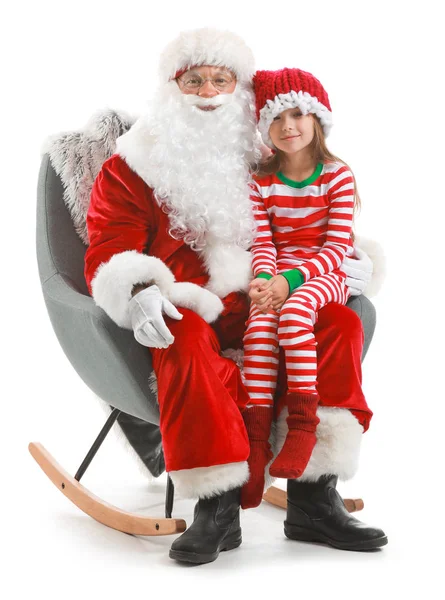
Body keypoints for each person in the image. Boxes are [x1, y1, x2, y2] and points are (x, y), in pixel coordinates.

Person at [84, 28, 383, 564]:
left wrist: (357, 262)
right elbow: (110, 245)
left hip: (266, 296)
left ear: (242, 91)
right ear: (170, 90)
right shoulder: (131, 166)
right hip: (187, 299)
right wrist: (137, 290)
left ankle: (314, 497)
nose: (207, 93)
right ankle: (217, 506)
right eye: (193, 80)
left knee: (339, 324)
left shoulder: (266, 151)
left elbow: (314, 227)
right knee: (185, 337)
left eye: (221, 80)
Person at [241, 67, 387, 550]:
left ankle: (306, 429)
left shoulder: (337, 175)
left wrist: (289, 281)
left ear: (318, 118)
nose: (289, 126)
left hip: (320, 273)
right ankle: (256, 441)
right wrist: (264, 281)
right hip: (277, 273)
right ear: (265, 127)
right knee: (259, 329)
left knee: (301, 313)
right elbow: (262, 241)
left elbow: (335, 246)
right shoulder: (261, 180)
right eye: (277, 118)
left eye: (299, 113)